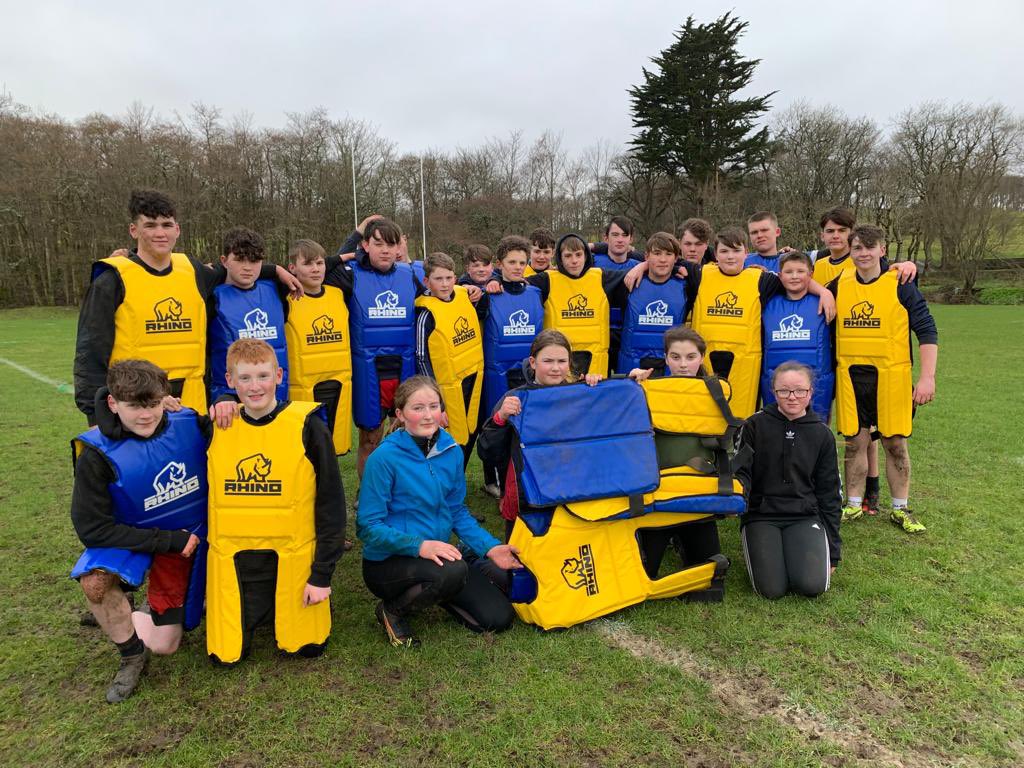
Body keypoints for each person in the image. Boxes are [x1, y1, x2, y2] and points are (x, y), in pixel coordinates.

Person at [73, 190, 301, 424]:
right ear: (134, 230)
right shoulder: (111, 281)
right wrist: (95, 413)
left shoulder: (193, 272)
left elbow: (238, 270)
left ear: (177, 229)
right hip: (135, 407)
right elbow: (90, 353)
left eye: (166, 224)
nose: (160, 233)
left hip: (192, 406)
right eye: (150, 225)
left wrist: (276, 270)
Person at [70, 360, 208, 703]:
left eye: (152, 404)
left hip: (188, 535)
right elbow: (93, 529)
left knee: (166, 644)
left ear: (166, 397)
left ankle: (143, 611)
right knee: (95, 583)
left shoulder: (189, 424)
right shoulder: (96, 454)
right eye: (134, 406)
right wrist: (165, 541)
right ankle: (131, 654)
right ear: (114, 403)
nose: (145, 415)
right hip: (132, 535)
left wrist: (223, 405)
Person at [205, 339, 346, 664]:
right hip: (235, 559)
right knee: (225, 656)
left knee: (306, 647)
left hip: (293, 560)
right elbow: (150, 419)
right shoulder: (216, 425)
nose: (255, 387)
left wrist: (322, 575)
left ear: (279, 375)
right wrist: (221, 401)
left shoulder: (308, 427)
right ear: (229, 380)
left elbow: (331, 504)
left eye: (263, 376)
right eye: (244, 379)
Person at [358, 376, 522, 647]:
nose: (427, 415)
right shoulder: (383, 458)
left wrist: (492, 548)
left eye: (433, 406)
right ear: (400, 414)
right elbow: (367, 526)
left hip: (438, 559)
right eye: (417, 408)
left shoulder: (452, 451)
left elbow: (456, 511)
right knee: (452, 572)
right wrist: (419, 546)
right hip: (388, 563)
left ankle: (449, 580)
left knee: (498, 618)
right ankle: (392, 610)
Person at [831, 225, 937, 533]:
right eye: (857, 248)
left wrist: (927, 378)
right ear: (850, 252)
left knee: (894, 443)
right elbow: (802, 282)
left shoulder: (901, 282)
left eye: (869, 247)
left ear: (882, 249)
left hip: (892, 377)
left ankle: (900, 509)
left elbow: (927, 331)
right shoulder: (840, 283)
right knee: (855, 443)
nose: (863, 253)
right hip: (852, 377)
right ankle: (852, 505)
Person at [627, 326, 730, 599]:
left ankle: (683, 538)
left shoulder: (715, 392)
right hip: (658, 491)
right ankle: (672, 537)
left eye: (690, 357)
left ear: (702, 358)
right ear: (666, 357)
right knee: (643, 574)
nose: (683, 365)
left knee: (707, 584)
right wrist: (630, 386)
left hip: (697, 488)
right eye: (675, 357)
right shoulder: (649, 389)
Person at [477, 329, 604, 541]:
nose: (555, 368)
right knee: (520, 562)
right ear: (533, 362)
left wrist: (600, 389)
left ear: (569, 362)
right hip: (525, 496)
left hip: (570, 493)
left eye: (562, 361)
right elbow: (488, 452)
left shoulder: (580, 394)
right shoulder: (514, 399)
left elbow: (608, 430)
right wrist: (499, 419)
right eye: (548, 361)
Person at [736, 362, 842, 599]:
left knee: (812, 586)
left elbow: (830, 494)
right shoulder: (754, 425)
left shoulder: (822, 434)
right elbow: (741, 473)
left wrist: (832, 550)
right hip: (762, 515)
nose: (792, 397)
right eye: (784, 391)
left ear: (811, 392)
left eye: (799, 390)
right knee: (771, 590)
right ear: (773, 392)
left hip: (803, 515)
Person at [478, 235, 543, 498]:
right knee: (498, 427)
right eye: (511, 262)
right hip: (497, 375)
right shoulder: (486, 294)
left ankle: (526, 485)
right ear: (499, 264)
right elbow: (459, 288)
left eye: (522, 262)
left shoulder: (537, 291)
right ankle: (495, 482)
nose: (517, 267)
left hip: (528, 373)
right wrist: (489, 281)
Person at [511, 234, 630, 376]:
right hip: (558, 365)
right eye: (568, 256)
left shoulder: (602, 277)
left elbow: (634, 274)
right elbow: (514, 283)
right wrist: (494, 280)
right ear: (560, 258)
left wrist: (644, 266)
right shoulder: (547, 280)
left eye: (578, 255)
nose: (574, 261)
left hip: (595, 366)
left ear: (586, 256)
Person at [414, 252, 485, 464]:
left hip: (472, 380)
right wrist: (436, 400)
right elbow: (421, 357)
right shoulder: (425, 313)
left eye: (449, 278)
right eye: (438, 279)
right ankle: (437, 488)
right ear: (427, 281)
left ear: (456, 277)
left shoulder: (464, 295)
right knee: (446, 439)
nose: (445, 284)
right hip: (446, 388)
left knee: (469, 432)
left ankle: (457, 483)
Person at [284, 238, 353, 455]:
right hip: (303, 387)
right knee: (306, 453)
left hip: (338, 385)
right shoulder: (282, 297)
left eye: (320, 263)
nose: (316, 269)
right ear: (292, 268)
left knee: (333, 453)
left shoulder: (339, 293)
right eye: (308, 264)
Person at [209, 227, 290, 402]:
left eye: (254, 261)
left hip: (276, 394)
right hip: (230, 400)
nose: (247, 267)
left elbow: (317, 268)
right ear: (224, 261)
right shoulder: (210, 295)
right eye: (239, 260)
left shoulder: (277, 288)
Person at [761, 251, 834, 422]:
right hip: (775, 381)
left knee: (815, 434)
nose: (794, 276)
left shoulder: (827, 302)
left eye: (800, 271)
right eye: (788, 272)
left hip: (817, 383)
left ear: (811, 274)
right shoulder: (766, 301)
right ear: (780, 275)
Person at [617, 232, 689, 374]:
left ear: (676, 258)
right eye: (657, 253)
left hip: (670, 366)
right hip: (632, 365)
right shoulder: (627, 282)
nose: (662, 259)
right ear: (646, 256)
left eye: (668, 254)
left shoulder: (687, 286)